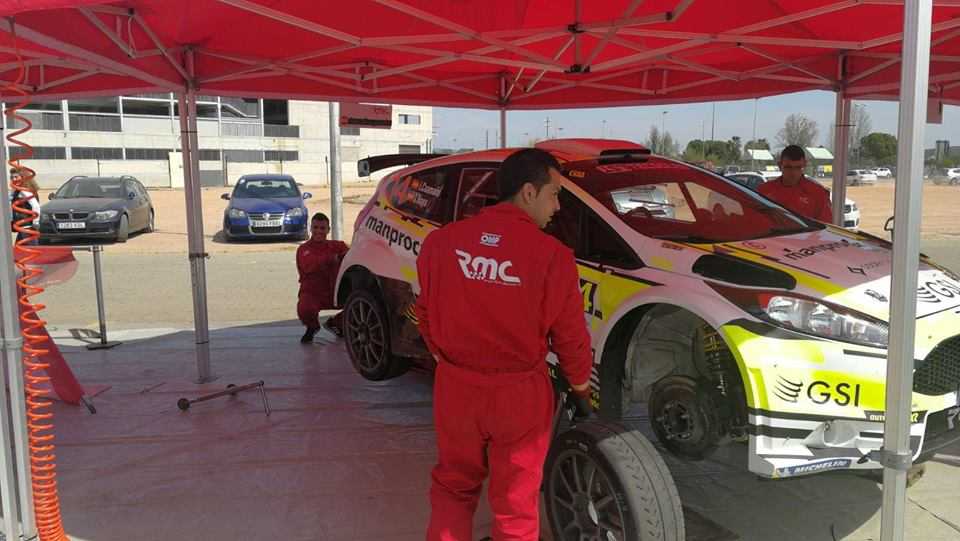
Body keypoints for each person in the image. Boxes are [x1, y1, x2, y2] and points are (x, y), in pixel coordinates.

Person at [416, 148, 593, 541]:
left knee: (453, 487)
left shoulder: (440, 243)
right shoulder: (553, 257)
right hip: (519, 397)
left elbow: (424, 312)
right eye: (555, 194)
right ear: (529, 192)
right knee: (516, 505)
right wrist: (581, 389)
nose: (558, 207)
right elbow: (571, 338)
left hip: (456, 389)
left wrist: (445, 358)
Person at [296, 212, 348, 343]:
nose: (319, 231)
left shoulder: (338, 246)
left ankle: (336, 323)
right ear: (311, 228)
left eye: (322, 228)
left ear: (328, 230)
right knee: (304, 308)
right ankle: (312, 327)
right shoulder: (303, 249)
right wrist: (333, 258)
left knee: (362, 302)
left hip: (336, 292)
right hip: (313, 294)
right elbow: (309, 265)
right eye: (315, 227)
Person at [758, 144, 833, 222]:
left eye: (798, 167)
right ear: (780, 165)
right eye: (788, 167)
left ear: (804, 165)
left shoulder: (818, 193)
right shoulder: (764, 191)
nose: (793, 173)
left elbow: (826, 225)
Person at [10, 168, 41, 243]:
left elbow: (36, 206)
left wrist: (35, 222)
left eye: (16, 177)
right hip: (23, 227)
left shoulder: (24, 191)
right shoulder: (18, 191)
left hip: (27, 226)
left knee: (29, 247)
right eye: (12, 177)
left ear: (23, 177)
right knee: (21, 247)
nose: (14, 179)